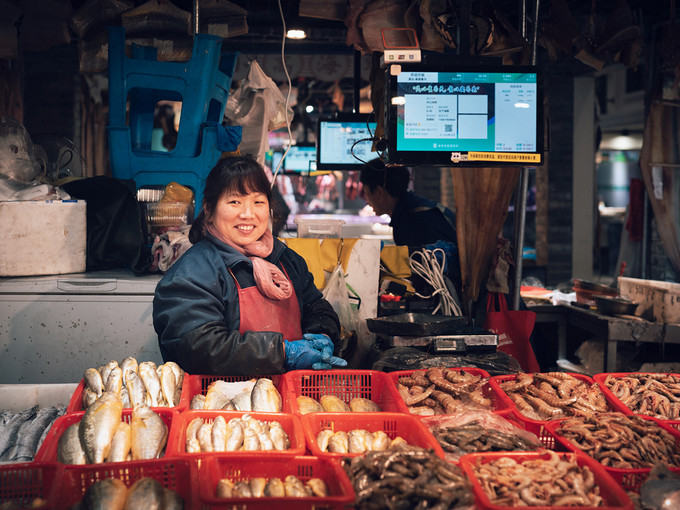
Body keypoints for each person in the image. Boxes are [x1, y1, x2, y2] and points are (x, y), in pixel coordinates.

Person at [153, 156, 347, 375]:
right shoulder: (193, 272)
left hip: (291, 398)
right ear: (209, 208)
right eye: (235, 202)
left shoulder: (286, 259)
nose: (248, 214)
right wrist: (283, 353)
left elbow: (315, 306)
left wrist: (323, 334)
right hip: (220, 402)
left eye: (258, 202)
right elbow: (198, 346)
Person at [359, 158, 457, 247]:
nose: (367, 201)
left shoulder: (413, 222)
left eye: (367, 194)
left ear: (378, 192)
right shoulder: (411, 210)